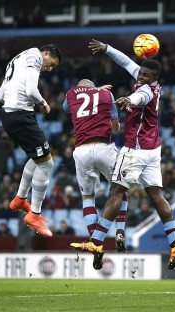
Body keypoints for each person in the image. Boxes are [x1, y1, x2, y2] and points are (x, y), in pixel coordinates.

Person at [70, 39, 175, 271]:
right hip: (153, 150)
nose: (139, 76)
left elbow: (140, 97)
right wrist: (107, 49)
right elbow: (126, 63)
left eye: (143, 75)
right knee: (156, 196)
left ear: (153, 78)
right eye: (140, 73)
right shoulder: (150, 80)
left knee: (116, 192)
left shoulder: (147, 90)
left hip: (135, 149)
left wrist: (127, 99)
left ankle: (96, 242)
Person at [0, 44, 63, 237]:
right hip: (20, 116)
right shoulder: (34, 57)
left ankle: (19, 199)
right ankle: (35, 214)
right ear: (46, 53)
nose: (49, 69)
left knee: (37, 159)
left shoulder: (17, 59)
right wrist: (43, 103)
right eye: (52, 64)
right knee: (47, 165)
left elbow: (0, 96)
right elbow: (32, 90)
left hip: (8, 115)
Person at [63, 79, 128, 253]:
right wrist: (97, 91)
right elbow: (115, 128)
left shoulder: (71, 94)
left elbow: (65, 107)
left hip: (81, 151)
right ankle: (120, 230)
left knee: (88, 198)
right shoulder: (107, 94)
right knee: (119, 190)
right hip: (103, 147)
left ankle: (95, 243)